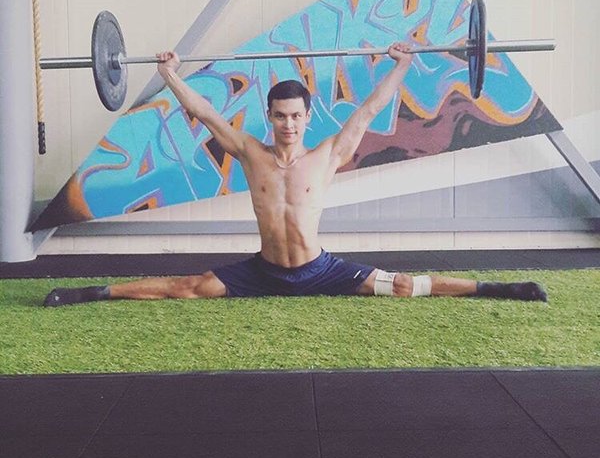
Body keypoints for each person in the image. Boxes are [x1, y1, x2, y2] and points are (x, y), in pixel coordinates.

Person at [44, 44, 547, 307]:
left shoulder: (326, 155)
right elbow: (204, 112)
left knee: (401, 287)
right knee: (189, 287)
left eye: (296, 116)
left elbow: (369, 111)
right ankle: (94, 293)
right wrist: (170, 74)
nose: (288, 124)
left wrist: (401, 67)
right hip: (263, 271)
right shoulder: (250, 153)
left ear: (307, 118)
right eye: (280, 116)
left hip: (320, 270)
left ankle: (496, 289)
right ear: (270, 116)